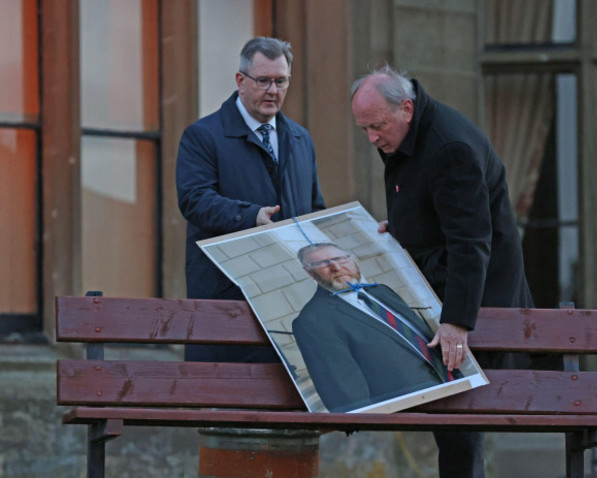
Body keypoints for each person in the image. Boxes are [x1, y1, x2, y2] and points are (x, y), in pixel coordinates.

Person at [350, 66, 534, 478]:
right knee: (453, 430)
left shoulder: (451, 146)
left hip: (476, 303)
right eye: (363, 129)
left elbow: (471, 242)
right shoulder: (409, 133)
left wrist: (456, 322)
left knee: (459, 429)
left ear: (407, 109)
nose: (372, 139)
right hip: (443, 290)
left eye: (377, 127)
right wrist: (399, 226)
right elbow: (433, 205)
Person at [176, 37, 325, 363]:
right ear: (240, 81)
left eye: (281, 81)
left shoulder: (301, 139)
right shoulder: (202, 136)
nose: (273, 90)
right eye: (263, 81)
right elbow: (194, 200)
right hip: (229, 304)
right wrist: (250, 216)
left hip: (293, 306)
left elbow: (314, 210)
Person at [292, 243, 455, 413]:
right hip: (408, 410)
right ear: (309, 272)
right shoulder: (312, 320)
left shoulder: (381, 291)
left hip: (452, 383)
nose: (336, 267)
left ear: (352, 259)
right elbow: (344, 392)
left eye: (340, 258)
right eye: (323, 264)